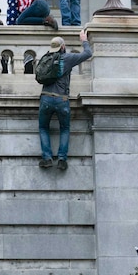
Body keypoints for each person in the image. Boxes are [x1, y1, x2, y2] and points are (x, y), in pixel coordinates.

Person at [38, 30, 92, 171]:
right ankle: (62, 159)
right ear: (62, 47)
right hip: (62, 99)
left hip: (45, 97)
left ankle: (47, 158)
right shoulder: (67, 58)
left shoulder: (46, 58)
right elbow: (88, 54)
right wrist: (84, 40)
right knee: (65, 128)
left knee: (43, 128)